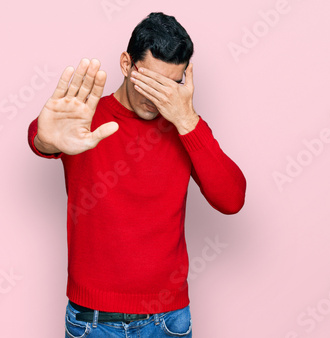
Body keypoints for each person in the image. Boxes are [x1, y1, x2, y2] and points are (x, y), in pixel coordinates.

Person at [27, 12, 246, 338]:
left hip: (168, 320)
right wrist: (45, 138)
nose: (157, 96)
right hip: (93, 321)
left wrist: (187, 121)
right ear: (127, 64)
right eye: (149, 81)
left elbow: (231, 199)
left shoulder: (186, 128)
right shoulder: (86, 117)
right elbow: (43, 138)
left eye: (169, 85)